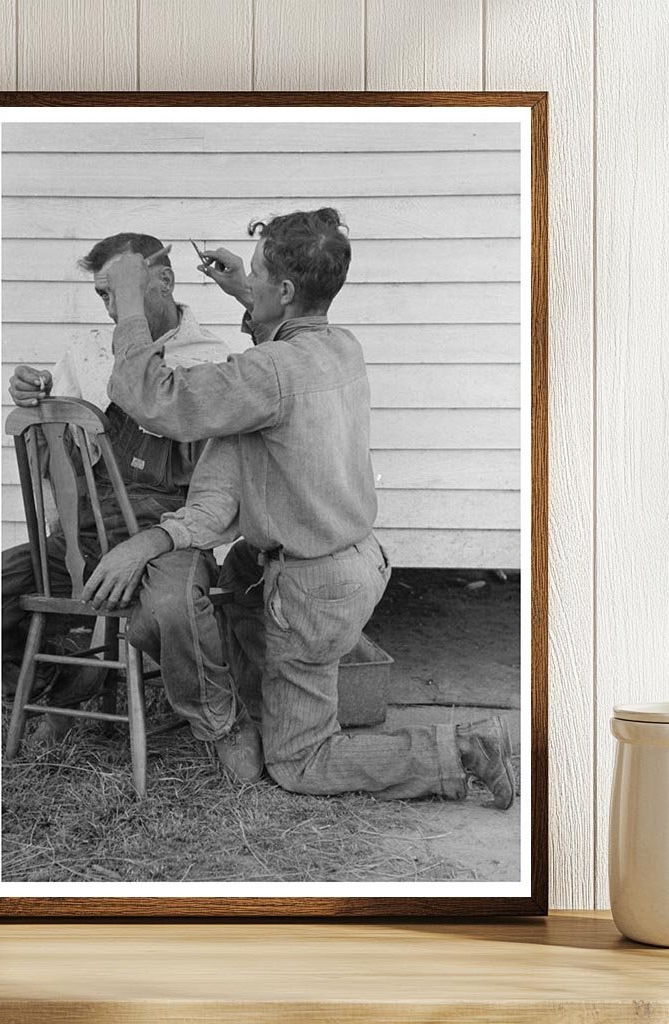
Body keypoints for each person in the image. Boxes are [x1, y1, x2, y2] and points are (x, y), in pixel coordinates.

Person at [81, 209, 515, 809]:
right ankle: (267, 702)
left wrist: (129, 305)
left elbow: (156, 400)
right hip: (351, 563)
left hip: (311, 588)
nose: (247, 278)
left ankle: (461, 751)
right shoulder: (341, 347)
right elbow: (281, 359)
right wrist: (246, 295)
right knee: (232, 587)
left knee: (298, 762)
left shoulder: (269, 374)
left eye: (256, 273)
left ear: (285, 292)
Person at [2, 231, 259, 775]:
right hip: (89, 533)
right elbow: (58, 446)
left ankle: (220, 719)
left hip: (169, 533)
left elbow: (217, 494)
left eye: (120, 292)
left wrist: (152, 545)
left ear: (163, 281)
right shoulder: (90, 352)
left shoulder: (211, 360)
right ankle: (68, 676)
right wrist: (36, 390)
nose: (113, 309)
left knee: (172, 607)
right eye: (103, 296)